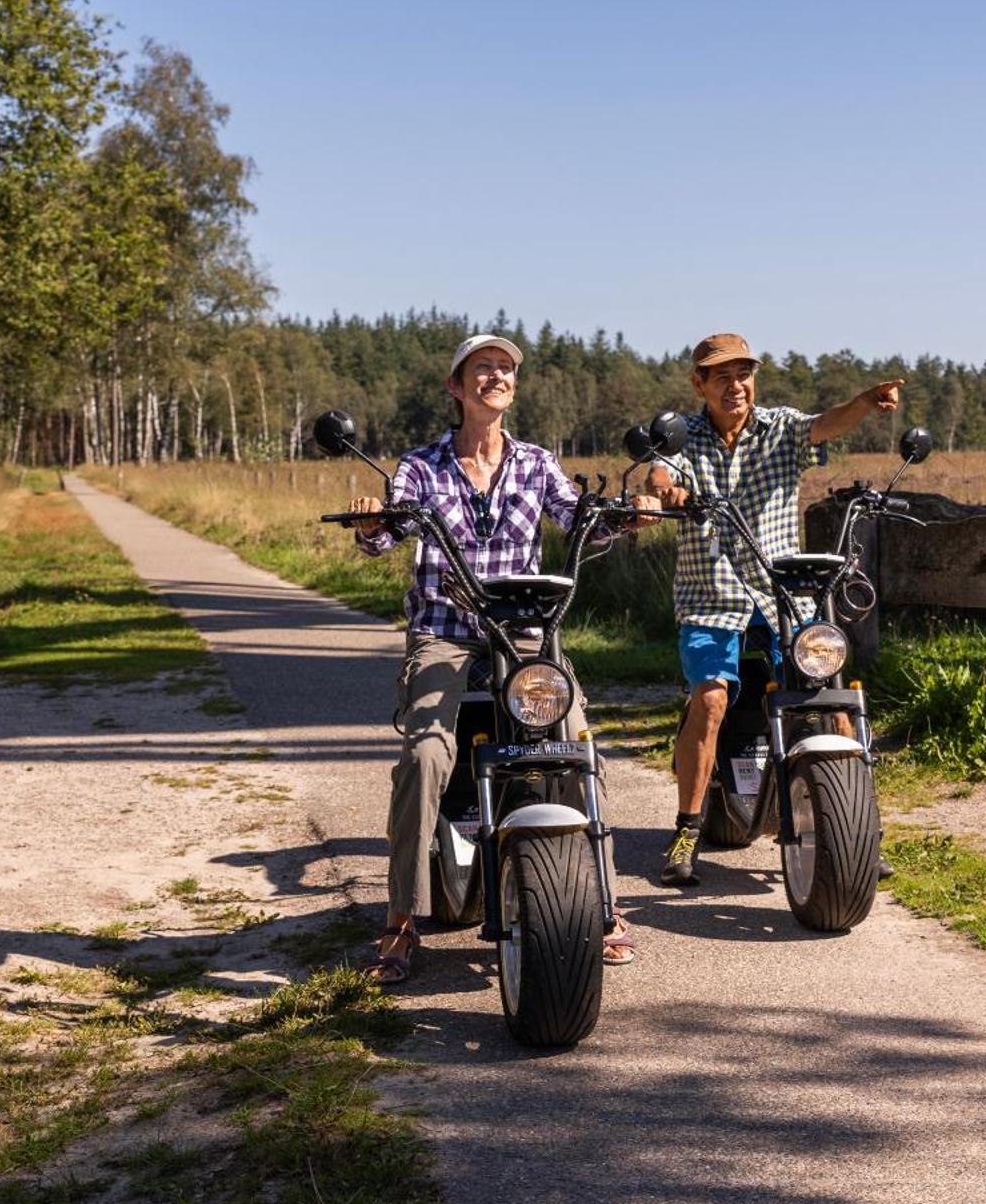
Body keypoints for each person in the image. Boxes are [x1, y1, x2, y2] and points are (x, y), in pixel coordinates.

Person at [349, 333, 643, 980]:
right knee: (425, 752)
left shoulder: (537, 462)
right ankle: (399, 920)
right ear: (457, 387)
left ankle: (603, 900)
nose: (496, 377)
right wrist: (373, 525)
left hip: (525, 634)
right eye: (482, 369)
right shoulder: (422, 467)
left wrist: (628, 516)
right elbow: (388, 530)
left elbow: (579, 517)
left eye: (505, 369)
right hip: (446, 632)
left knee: (575, 740)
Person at [647, 332, 903, 886]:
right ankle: (687, 830)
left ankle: (861, 828)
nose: (736, 386)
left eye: (744, 374)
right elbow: (660, 473)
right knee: (711, 698)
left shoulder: (779, 428)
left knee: (828, 689)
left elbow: (824, 424)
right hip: (710, 594)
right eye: (722, 376)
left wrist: (863, 402)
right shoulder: (683, 436)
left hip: (781, 589)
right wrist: (666, 492)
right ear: (699, 384)